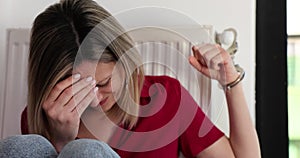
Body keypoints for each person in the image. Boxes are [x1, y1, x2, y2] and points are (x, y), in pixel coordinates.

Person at [0, 0, 261, 157]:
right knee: (22, 148)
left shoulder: (165, 97)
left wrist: (231, 82)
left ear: (126, 64)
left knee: (86, 153)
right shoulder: (45, 115)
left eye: (102, 84)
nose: (94, 99)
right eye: (77, 88)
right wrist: (60, 141)